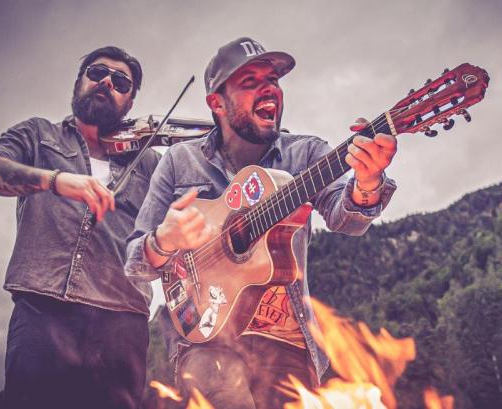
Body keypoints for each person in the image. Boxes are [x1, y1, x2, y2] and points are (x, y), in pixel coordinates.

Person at [125, 37, 398, 409]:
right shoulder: (178, 161)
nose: (269, 88)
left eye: (273, 79)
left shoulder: (307, 153)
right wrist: (163, 241)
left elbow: (345, 218)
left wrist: (367, 183)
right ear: (216, 103)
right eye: (250, 82)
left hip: (289, 344)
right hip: (206, 341)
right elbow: (135, 262)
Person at [0, 46, 159, 409]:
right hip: (43, 311)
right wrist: (55, 180)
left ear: (130, 102)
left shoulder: (150, 161)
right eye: (97, 72)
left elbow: (171, 232)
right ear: (78, 83)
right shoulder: (39, 134)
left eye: (120, 82)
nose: (106, 81)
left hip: (123, 322)